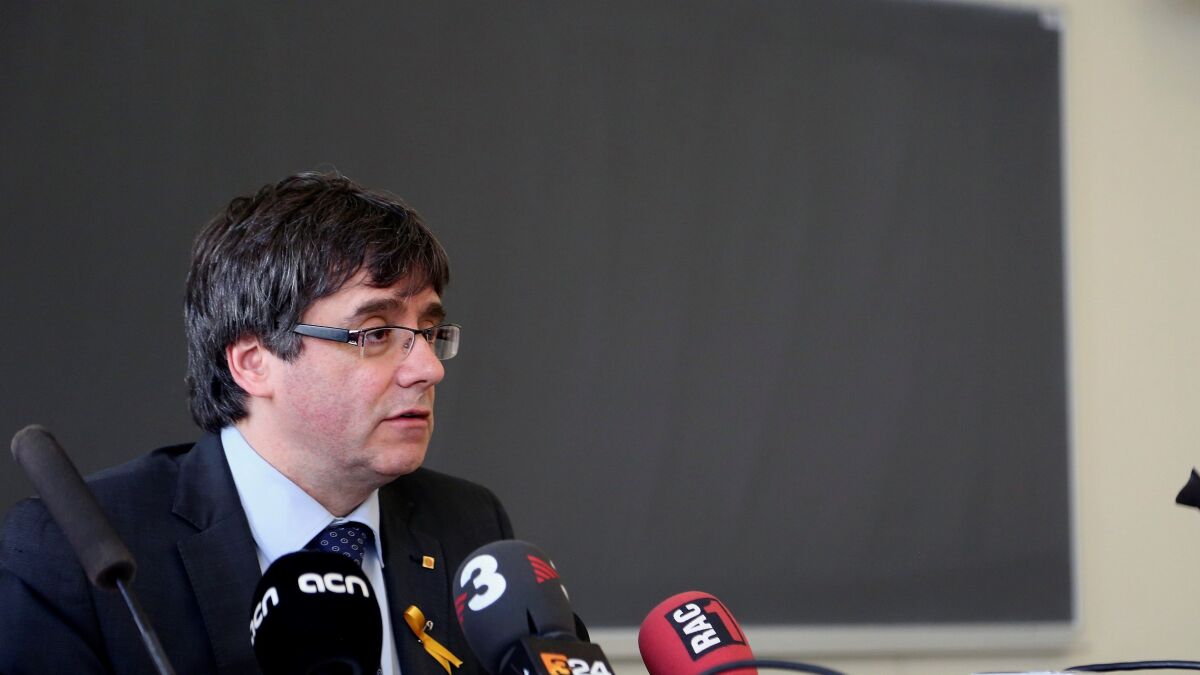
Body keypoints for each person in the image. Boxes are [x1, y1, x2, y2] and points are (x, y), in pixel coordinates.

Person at [0, 172, 512, 674]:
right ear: (253, 362)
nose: (429, 368)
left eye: (429, 331)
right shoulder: (81, 555)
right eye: (375, 333)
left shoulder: (468, 526)